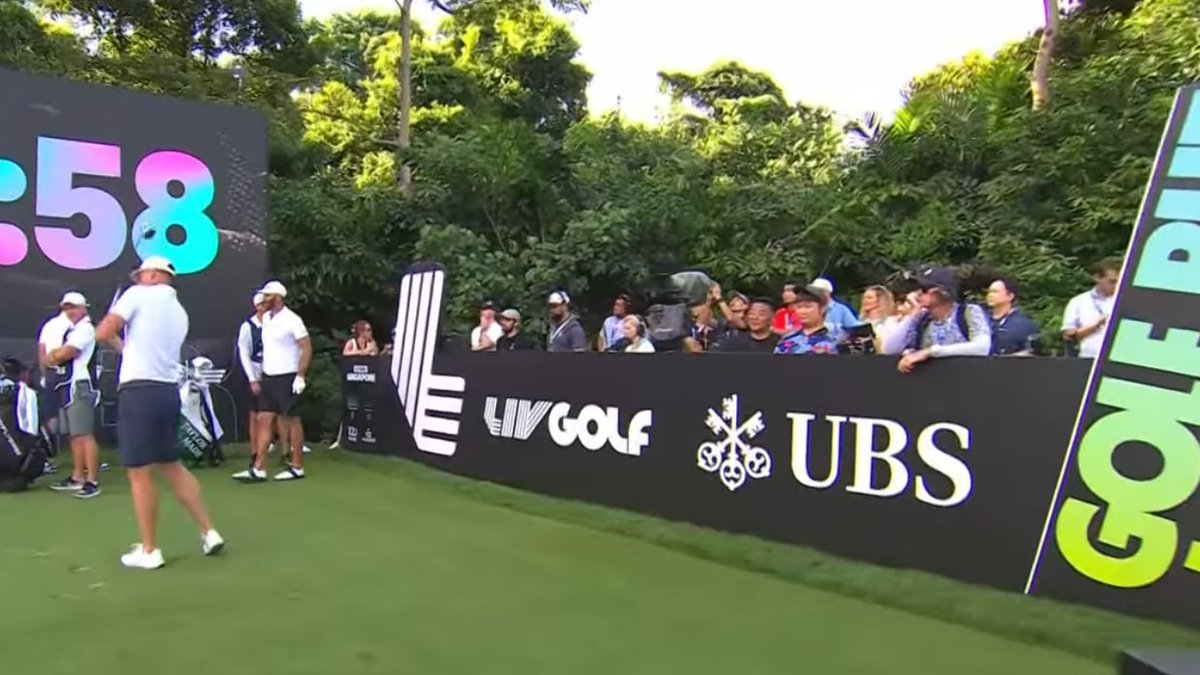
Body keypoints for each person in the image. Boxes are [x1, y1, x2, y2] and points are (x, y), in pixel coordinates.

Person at [94, 256, 224, 569]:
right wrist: (126, 347)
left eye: (141, 274)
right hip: (166, 393)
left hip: (139, 392)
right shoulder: (179, 311)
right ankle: (209, 531)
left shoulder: (138, 294)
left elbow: (102, 332)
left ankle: (150, 551)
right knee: (171, 465)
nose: (138, 278)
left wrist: (116, 340)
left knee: (139, 471)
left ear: (153, 274)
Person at [235, 280, 311, 483]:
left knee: (292, 420)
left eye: (267, 296)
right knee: (264, 419)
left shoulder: (292, 320)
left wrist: (300, 376)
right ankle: (258, 467)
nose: (263, 300)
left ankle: (297, 466)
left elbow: (306, 347)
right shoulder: (266, 319)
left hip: (288, 376)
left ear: (277, 298)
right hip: (269, 376)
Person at [882, 266, 991, 372]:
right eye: (916, 289)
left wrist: (930, 352)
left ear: (942, 292)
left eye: (924, 290)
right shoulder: (922, 318)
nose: (917, 294)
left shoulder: (968, 312)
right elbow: (889, 349)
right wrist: (911, 315)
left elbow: (982, 348)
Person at [45, 292, 101, 498]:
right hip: (67, 385)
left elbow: (66, 353)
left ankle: (92, 480)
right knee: (74, 434)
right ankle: (77, 477)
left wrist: (55, 356)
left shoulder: (86, 329)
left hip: (80, 385)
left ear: (83, 308)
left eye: (73, 307)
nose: (69, 311)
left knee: (84, 434)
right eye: (66, 307)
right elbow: (54, 357)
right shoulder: (71, 329)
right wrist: (54, 356)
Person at [1062, 258, 1120, 359]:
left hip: (1119, 358)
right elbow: (1069, 337)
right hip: (1089, 358)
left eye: (1119, 282)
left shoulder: (1126, 300)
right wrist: (1097, 324)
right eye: (1112, 282)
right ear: (1097, 278)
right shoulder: (1078, 302)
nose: (1117, 286)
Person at [236, 292, 268, 461]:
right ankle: (255, 451)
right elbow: (244, 353)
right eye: (262, 304)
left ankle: (280, 449)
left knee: (271, 415)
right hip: (254, 375)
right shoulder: (248, 326)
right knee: (255, 416)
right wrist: (252, 379)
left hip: (272, 374)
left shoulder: (273, 324)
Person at [774, 286, 841, 355]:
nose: (803, 311)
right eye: (799, 307)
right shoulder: (788, 339)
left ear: (823, 308)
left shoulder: (836, 339)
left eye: (807, 307)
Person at [986, 278, 1040, 356]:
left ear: (1010, 296)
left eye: (995, 292)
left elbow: (1030, 352)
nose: (990, 295)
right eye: (989, 292)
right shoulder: (982, 320)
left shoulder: (1024, 324)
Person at [716, 298, 780, 353]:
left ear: (772, 318)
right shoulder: (733, 342)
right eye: (751, 313)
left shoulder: (781, 344)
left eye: (761, 314)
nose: (754, 317)